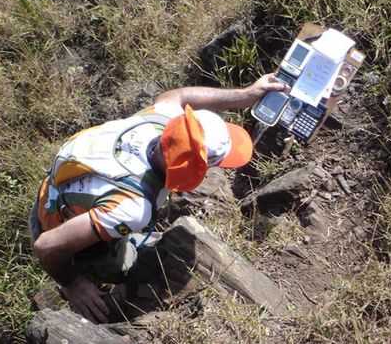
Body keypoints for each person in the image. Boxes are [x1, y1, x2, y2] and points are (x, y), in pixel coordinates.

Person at [29, 73, 288, 324]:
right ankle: (95, 286)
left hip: (57, 189)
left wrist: (244, 95)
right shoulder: (132, 208)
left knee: (111, 221)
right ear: (200, 168)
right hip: (57, 230)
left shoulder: (162, 121)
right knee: (119, 265)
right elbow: (47, 246)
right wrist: (73, 284)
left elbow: (179, 95)